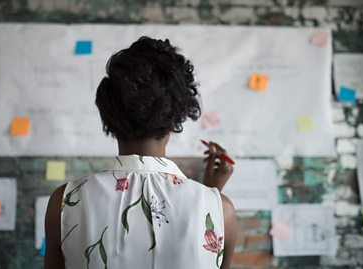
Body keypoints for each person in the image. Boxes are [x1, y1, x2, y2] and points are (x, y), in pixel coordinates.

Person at [45, 36, 237, 269]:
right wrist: (211, 194)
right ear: (177, 116)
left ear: (109, 115)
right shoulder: (221, 210)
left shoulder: (63, 202)